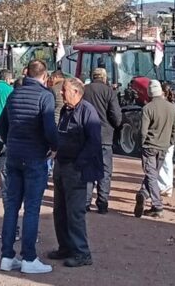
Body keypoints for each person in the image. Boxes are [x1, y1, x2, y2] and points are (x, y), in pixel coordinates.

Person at [0, 60, 58, 274]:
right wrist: (54, 147)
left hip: (14, 154)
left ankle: (7, 256)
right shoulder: (46, 96)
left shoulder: (14, 94)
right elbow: (49, 127)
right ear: (44, 75)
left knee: (12, 206)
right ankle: (29, 258)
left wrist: (9, 142)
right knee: (32, 208)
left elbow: (1, 125)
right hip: (34, 156)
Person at [49, 78, 102, 268]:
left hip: (76, 169)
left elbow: (94, 142)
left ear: (76, 92)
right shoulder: (66, 110)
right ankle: (65, 247)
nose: (61, 94)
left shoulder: (88, 111)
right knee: (60, 211)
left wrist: (79, 163)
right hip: (62, 165)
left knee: (75, 213)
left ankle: (82, 253)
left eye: (64, 90)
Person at [136, 79, 175, 219]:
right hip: (163, 147)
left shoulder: (147, 108)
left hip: (150, 146)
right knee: (153, 175)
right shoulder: (171, 107)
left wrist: (142, 144)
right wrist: (170, 142)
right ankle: (143, 194)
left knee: (151, 175)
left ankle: (157, 205)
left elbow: (143, 131)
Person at [81, 67, 122, 213]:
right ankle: (102, 203)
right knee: (105, 171)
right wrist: (115, 126)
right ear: (104, 78)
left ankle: (85, 202)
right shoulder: (109, 91)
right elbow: (116, 117)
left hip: (87, 136)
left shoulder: (84, 90)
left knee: (88, 169)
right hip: (105, 136)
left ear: (93, 77)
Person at [157, 82, 175, 199]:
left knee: (160, 163)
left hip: (163, 138)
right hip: (170, 138)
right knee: (168, 162)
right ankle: (168, 186)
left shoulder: (163, 105)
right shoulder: (174, 103)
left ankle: (164, 187)